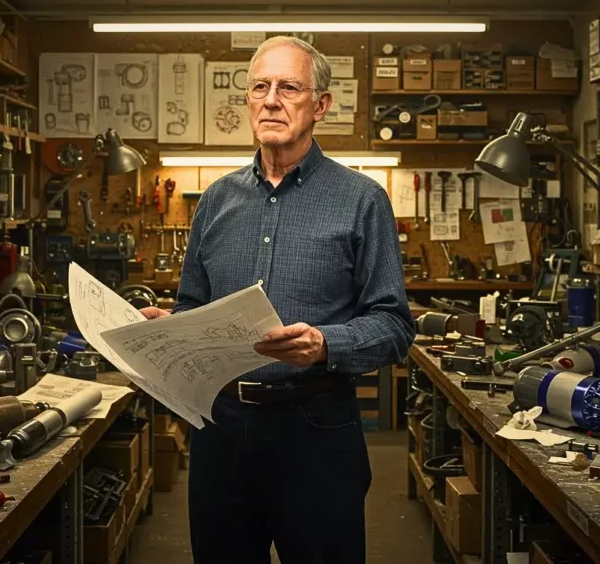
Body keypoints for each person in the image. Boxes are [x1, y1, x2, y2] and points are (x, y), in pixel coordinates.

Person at [140, 36, 415, 564]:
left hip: (315, 430)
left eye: (289, 87)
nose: (271, 100)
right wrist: (165, 327)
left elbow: (394, 325)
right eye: (260, 87)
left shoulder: (361, 200)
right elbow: (193, 305)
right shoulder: (216, 201)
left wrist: (324, 344)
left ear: (321, 105)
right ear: (246, 101)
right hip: (221, 431)